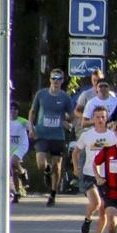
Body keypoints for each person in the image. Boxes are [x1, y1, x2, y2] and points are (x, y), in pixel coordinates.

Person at [29, 69, 75, 206]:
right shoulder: (41, 94)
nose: (56, 81)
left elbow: (72, 115)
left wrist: (67, 122)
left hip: (57, 135)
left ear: (62, 81)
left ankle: (53, 194)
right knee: (41, 163)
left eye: (59, 78)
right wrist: (31, 127)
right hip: (42, 133)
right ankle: (46, 171)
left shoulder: (65, 97)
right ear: (50, 79)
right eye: (53, 78)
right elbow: (33, 111)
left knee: (57, 165)